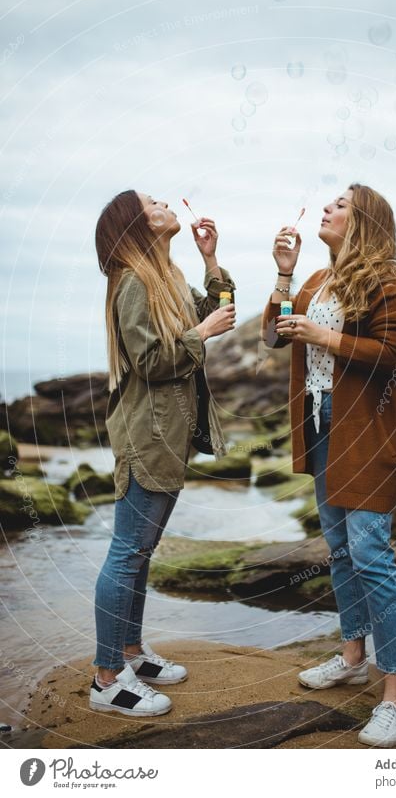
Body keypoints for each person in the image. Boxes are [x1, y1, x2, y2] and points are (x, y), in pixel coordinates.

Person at [261, 182, 396, 748]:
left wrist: (324, 336)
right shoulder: (317, 279)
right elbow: (272, 336)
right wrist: (285, 276)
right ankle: (354, 655)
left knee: (370, 553)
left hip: (366, 427)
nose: (326, 208)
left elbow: (395, 357)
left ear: (364, 223)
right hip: (320, 424)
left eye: (339, 205)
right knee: (339, 550)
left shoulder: (389, 280)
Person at [91, 190, 236, 716]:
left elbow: (223, 314)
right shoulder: (131, 281)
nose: (166, 203)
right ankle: (107, 678)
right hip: (145, 436)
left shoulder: (169, 277)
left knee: (140, 552)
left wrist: (211, 260)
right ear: (138, 223)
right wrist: (201, 332)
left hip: (169, 434)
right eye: (154, 201)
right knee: (127, 552)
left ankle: (130, 652)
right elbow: (151, 360)